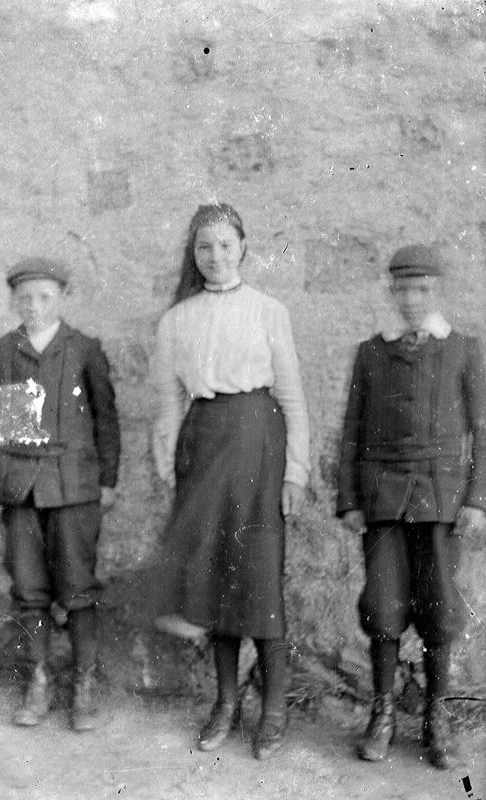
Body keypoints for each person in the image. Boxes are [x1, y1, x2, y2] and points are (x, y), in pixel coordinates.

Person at [152, 203, 310, 760]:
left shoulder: (268, 311)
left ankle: (273, 709)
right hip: (203, 449)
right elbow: (169, 404)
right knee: (214, 578)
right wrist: (170, 470)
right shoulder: (177, 320)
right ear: (193, 254)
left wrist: (296, 472)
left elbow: (291, 397)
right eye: (204, 247)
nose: (215, 256)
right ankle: (225, 703)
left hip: (259, 446)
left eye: (225, 244)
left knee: (260, 578)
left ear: (243, 247)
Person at [337, 245, 486, 769]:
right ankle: (381, 711)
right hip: (382, 498)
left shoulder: (463, 350)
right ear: (391, 292)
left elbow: (482, 430)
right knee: (382, 605)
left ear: (436, 291)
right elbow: (351, 430)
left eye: (422, 289)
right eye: (403, 289)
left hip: (441, 499)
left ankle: (435, 715)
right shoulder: (371, 352)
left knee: (440, 607)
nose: (412, 300)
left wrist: (477, 500)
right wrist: (349, 500)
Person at [0, 257, 120, 730]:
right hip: (19, 487)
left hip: (74, 485)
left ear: (62, 298)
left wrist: (107, 481)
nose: (34, 306)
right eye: (25, 298)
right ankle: (37, 680)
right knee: (28, 589)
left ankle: (83, 687)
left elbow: (106, 419)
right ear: (13, 301)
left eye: (44, 297)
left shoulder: (83, 349)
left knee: (78, 585)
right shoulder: (3, 350)